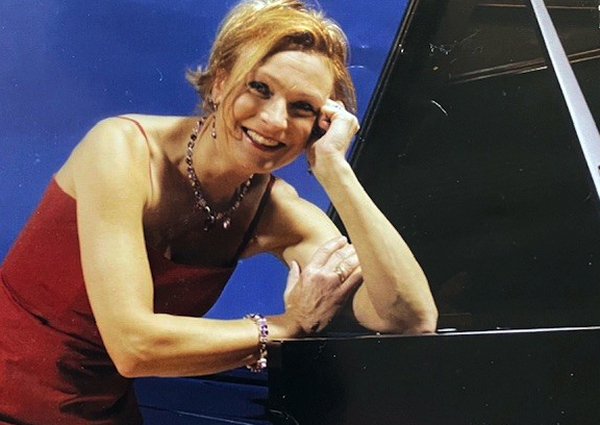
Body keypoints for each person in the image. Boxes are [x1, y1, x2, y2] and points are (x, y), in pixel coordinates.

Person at [0, 0, 438, 424]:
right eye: (259, 88)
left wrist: (336, 172)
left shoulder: (276, 211)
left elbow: (410, 318)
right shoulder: (121, 149)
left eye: (302, 107)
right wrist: (288, 326)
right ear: (219, 83)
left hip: (97, 410)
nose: (275, 120)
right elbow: (134, 347)